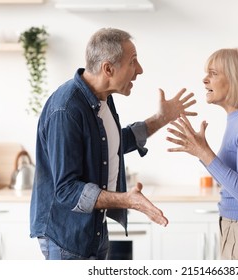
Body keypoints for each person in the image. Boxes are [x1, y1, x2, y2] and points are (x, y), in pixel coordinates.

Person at [30, 28, 197, 260]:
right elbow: (66, 190)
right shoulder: (66, 109)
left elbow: (114, 143)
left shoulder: (102, 98)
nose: (139, 70)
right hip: (67, 237)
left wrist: (160, 119)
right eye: (133, 62)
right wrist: (126, 200)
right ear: (108, 68)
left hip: (94, 231)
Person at [166, 47, 238, 260]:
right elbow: (229, 181)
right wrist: (200, 152)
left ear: (235, 78)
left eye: (213, 73)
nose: (204, 80)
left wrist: (205, 152)